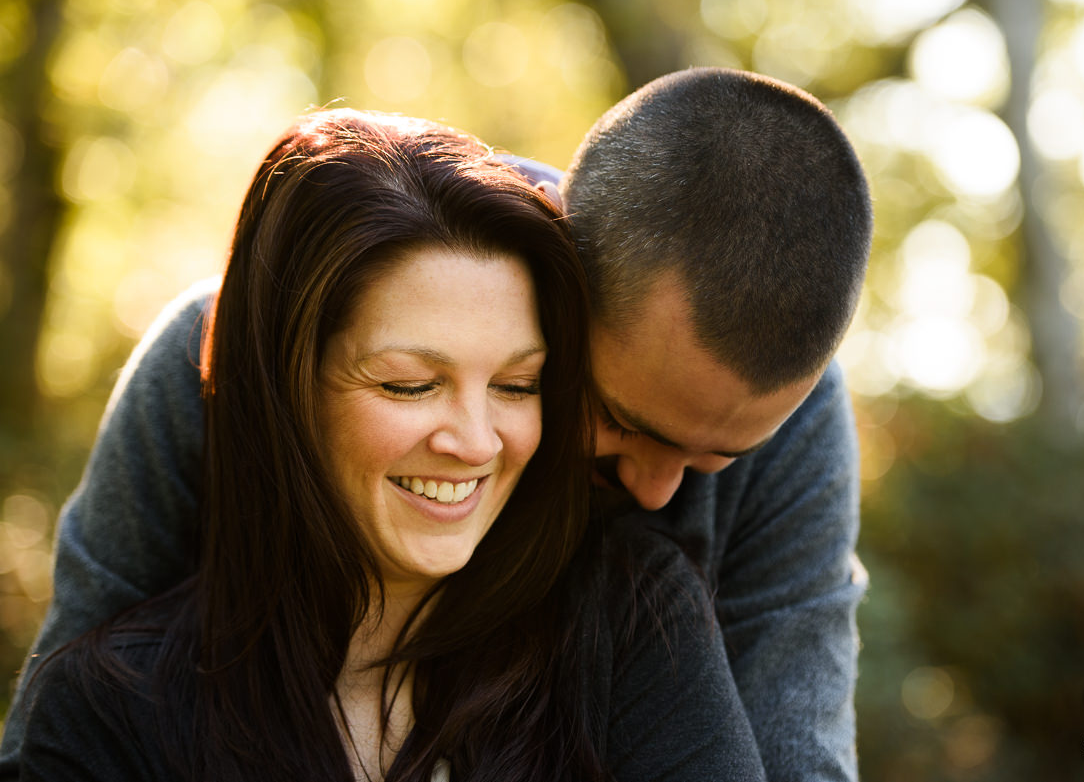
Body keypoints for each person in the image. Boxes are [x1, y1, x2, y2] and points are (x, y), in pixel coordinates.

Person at [1, 67, 873, 781]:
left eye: (716, 458)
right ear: (562, 296)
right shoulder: (210, 364)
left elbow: (800, 748)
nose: (656, 490)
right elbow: (75, 709)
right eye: (615, 418)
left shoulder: (656, 599)